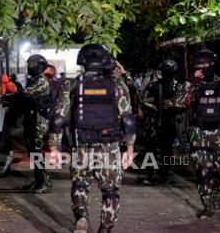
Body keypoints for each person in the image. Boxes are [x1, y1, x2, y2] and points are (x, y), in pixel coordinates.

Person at [69, 44, 136, 233]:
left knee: (80, 183)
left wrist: (54, 145)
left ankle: (81, 215)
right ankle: (105, 229)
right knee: (110, 191)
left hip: (82, 144)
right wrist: (129, 148)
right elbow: (128, 120)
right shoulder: (117, 85)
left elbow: (59, 117)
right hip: (109, 147)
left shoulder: (74, 84)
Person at [173, 49, 220, 219]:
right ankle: (207, 206)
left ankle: (219, 188)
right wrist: (189, 83)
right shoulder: (193, 86)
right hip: (199, 133)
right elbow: (177, 103)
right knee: (203, 171)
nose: (201, 68)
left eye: (205, 65)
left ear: (213, 65)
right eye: (198, 66)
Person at [2, 54, 56, 193]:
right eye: (29, 64)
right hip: (32, 119)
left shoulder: (41, 81)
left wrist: (5, 98)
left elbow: (25, 94)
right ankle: (38, 180)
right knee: (33, 152)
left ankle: (45, 181)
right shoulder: (34, 80)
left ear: (40, 66)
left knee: (37, 152)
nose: (29, 67)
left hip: (38, 121)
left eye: (33, 64)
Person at [139, 58, 180, 184]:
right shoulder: (153, 85)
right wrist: (151, 105)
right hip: (153, 122)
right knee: (150, 150)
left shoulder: (178, 87)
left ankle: (163, 176)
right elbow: (142, 101)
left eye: (170, 72)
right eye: (165, 72)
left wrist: (174, 105)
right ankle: (152, 175)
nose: (167, 75)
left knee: (167, 151)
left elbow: (184, 104)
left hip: (169, 123)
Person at [44, 65, 70, 151]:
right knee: (55, 141)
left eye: (47, 73)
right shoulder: (46, 84)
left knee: (69, 139)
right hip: (53, 117)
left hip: (64, 116)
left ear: (53, 72)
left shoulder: (63, 83)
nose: (45, 75)